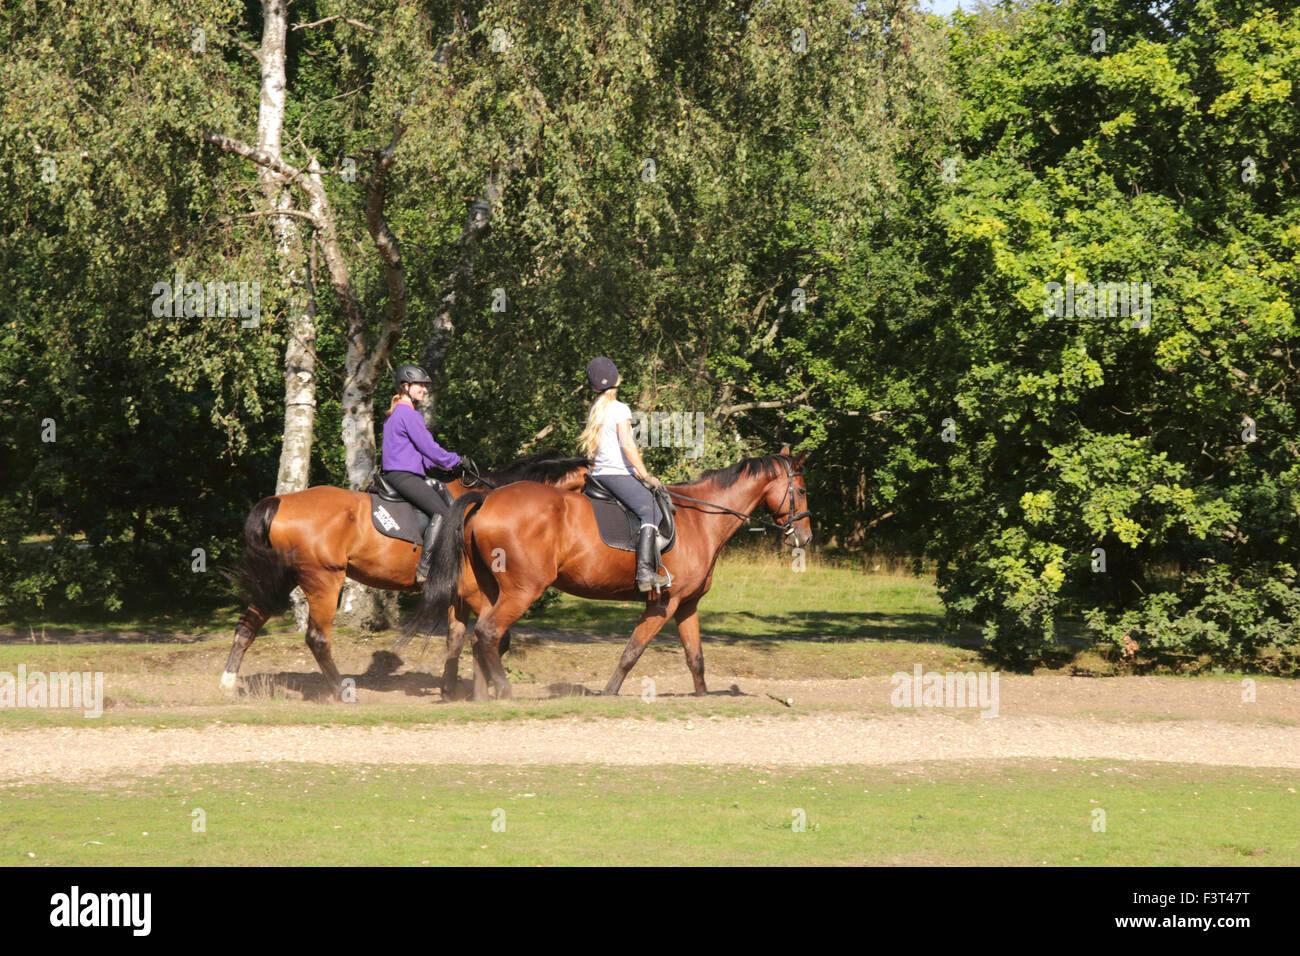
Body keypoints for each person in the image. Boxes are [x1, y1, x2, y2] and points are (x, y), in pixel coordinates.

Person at [579, 357, 669, 591]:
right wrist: (645, 474)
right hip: (617, 474)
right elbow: (628, 445)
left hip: (598, 475)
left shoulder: (596, 410)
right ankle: (645, 573)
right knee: (650, 509)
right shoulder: (620, 409)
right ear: (617, 380)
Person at [381, 363, 463, 583]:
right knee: (445, 513)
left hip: (398, 475)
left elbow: (416, 451)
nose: (424, 390)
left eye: (425, 386)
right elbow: (429, 448)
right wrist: (455, 460)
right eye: (420, 385)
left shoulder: (396, 414)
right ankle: (425, 568)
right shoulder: (408, 415)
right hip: (404, 476)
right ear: (405, 386)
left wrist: (435, 465)